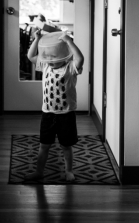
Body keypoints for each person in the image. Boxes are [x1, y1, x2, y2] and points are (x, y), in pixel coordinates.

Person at [23, 30, 84, 182]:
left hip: (66, 114)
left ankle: (69, 171)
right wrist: (36, 39)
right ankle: (39, 172)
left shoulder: (71, 68)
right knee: (44, 145)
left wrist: (69, 42)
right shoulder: (46, 66)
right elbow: (30, 56)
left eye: (53, 57)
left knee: (66, 145)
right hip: (48, 114)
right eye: (47, 57)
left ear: (64, 55)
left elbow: (80, 59)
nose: (49, 60)